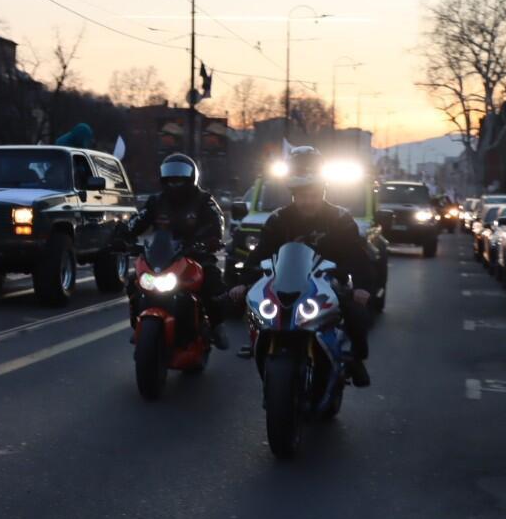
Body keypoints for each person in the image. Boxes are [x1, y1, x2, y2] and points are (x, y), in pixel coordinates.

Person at [225, 146, 380, 386]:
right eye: (302, 196)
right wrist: (243, 283)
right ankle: (257, 341)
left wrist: (362, 287)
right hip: (285, 282)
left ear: (322, 192)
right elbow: (260, 253)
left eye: (313, 195)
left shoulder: (340, 219)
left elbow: (356, 255)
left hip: (329, 283)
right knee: (255, 305)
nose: (308, 201)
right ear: (293, 195)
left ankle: (356, 360)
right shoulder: (278, 219)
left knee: (357, 314)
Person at [120, 153, 230, 349]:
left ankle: (216, 326)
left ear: (191, 178)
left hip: (195, 255)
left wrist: (210, 239)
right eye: (170, 178)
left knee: (212, 281)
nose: (174, 182)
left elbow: (217, 222)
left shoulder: (204, 200)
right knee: (134, 282)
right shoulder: (156, 202)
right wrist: (122, 235)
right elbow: (138, 221)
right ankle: (138, 325)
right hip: (162, 256)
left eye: (179, 178)